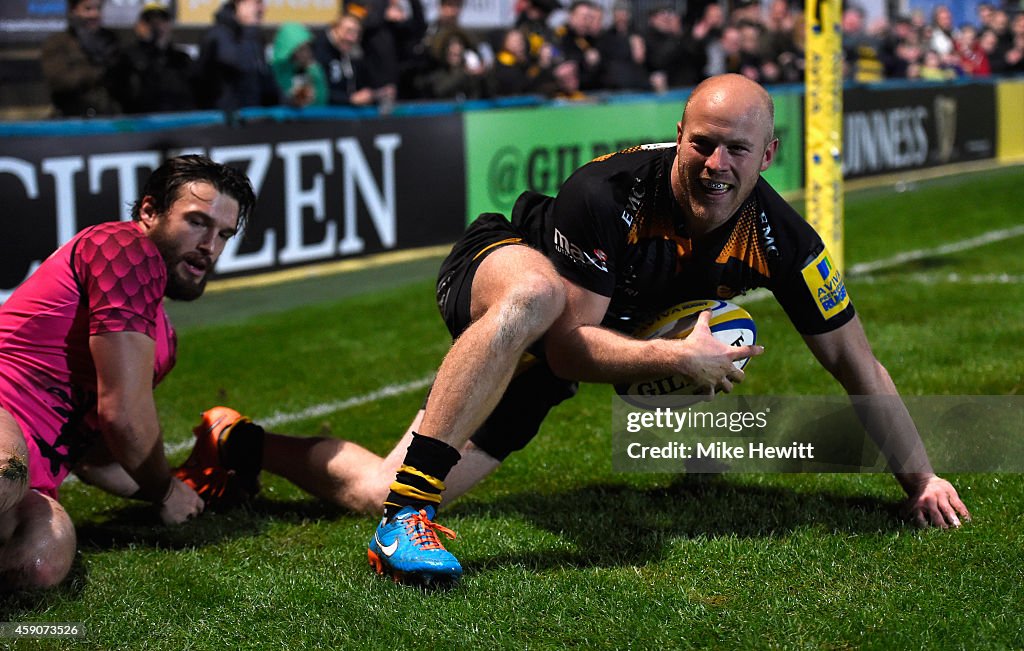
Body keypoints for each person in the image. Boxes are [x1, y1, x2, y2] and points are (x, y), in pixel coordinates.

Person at [187, 74, 970, 588]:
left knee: (367, 487)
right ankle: (407, 519)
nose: (715, 164)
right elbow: (566, 340)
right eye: (702, 142)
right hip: (500, 273)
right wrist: (675, 357)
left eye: (737, 149)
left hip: (549, 367)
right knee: (533, 296)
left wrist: (922, 479)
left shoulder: (784, 240)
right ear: (680, 133)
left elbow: (857, 364)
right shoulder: (608, 192)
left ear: (769, 154)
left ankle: (241, 446)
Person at [0, 156, 256, 592]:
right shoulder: (124, 249)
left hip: (36, 476)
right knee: (6, 473)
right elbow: (124, 416)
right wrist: (163, 492)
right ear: (149, 211)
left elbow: (94, 453)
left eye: (223, 235)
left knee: (41, 560)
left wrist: (178, 488)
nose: (209, 245)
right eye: (197, 222)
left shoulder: (163, 339)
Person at [40, 0, 126, 117]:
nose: (95, 14)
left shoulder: (111, 40)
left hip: (108, 115)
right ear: (74, 11)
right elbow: (58, 80)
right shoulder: (58, 42)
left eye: (98, 9)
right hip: (72, 117)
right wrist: (95, 73)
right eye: (88, 9)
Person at [194, 0, 279, 111]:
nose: (262, 9)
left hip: (253, 117)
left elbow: (261, 78)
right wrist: (249, 32)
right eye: (257, 3)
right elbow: (238, 65)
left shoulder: (255, 37)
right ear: (239, 4)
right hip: (223, 120)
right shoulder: (217, 35)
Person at [119, 2, 198, 114]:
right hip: (143, 124)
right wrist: (148, 45)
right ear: (139, 26)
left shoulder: (182, 59)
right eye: (149, 21)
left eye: (162, 20)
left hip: (178, 124)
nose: (157, 26)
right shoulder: (128, 57)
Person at [270, 22, 329, 108]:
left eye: (308, 47)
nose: (306, 53)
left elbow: (323, 101)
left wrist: (315, 75)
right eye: (301, 49)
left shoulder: (314, 69)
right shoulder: (276, 71)